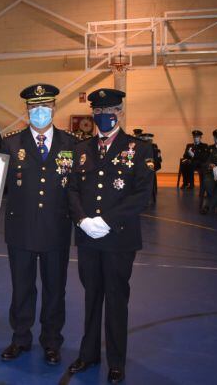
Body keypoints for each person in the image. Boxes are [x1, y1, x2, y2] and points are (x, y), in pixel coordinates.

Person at [67, 88, 154, 384]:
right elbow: (73, 190)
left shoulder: (139, 149)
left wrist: (107, 220)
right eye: (99, 112)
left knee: (116, 299)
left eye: (110, 111)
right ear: (93, 114)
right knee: (92, 297)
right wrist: (82, 220)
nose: (104, 116)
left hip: (118, 238)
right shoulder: (81, 150)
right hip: (88, 237)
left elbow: (143, 195)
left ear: (120, 112)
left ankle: (116, 360)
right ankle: (88, 353)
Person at [0, 84, 77, 366]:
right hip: (20, 230)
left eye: (45, 107)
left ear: (54, 109)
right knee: (21, 287)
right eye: (34, 108)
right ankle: (20, 338)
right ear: (27, 111)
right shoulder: (11, 144)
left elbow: (78, 187)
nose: (40, 113)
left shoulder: (70, 143)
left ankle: (52, 342)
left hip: (56, 229)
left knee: (55, 289)